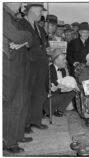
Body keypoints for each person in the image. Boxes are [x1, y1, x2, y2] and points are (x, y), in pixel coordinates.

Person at [3, 2, 33, 153]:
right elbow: (16, 35)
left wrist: (25, 40)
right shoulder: (3, 13)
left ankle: (17, 134)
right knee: (10, 103)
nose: (21, 5)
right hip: (8, 65)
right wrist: (26, 37)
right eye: (19, 2)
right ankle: (8, 142)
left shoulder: (12, 17)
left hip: (18, 65)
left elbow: (29, 40)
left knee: (20, 102)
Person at [19, 2, 49, 133]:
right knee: (27, 93)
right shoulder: (20, 24)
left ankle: (36, 120)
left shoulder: (40, 27)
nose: (41, 13)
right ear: (31, 10)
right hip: (28, 64)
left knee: (40, 93)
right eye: (40, 10)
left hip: (41, 64)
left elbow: (43, 45)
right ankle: (25, 124)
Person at [43, 48, 76, 117]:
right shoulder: (49, 70)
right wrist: (62, 90)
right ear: (56, 61)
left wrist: (68, 87)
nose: (66, 61)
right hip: (49, 95)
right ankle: (47, 110)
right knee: (63, 94)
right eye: (63, 59)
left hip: (58, 93)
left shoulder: (63, 70)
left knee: (73, 91)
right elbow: (48, 87)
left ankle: (60, 111)